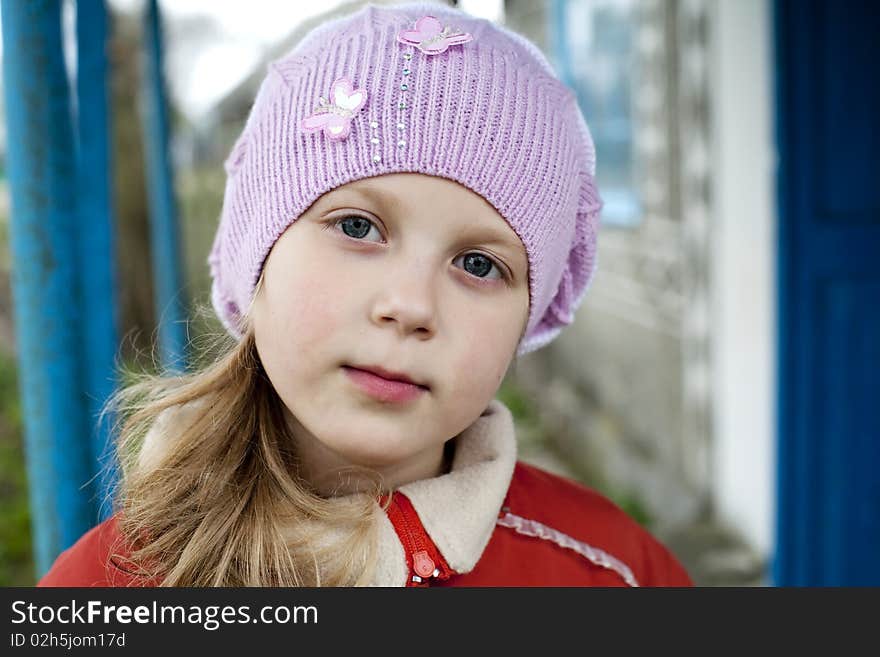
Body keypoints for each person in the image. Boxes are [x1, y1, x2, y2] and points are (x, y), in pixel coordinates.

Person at [38, 1, 692, 587]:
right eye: (358, 226)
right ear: (256, 259)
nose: (409, 305)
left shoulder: (612, 573)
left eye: (478, 264)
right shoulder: (109, 586)